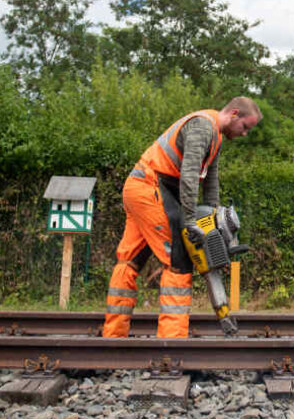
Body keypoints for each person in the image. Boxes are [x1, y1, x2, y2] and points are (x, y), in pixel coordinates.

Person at [103, 97, 262, 339]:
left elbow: (211, 180)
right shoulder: (202, 127)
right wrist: (189, 222)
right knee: (178, 259)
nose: (245, 134)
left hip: (140, 188)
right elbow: (189, 176)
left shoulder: (215, 136)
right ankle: (172, 340)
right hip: (152, 187)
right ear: (234, 114)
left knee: (130, 261)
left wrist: (212, 215)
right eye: (245, 127)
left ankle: (113, 336)